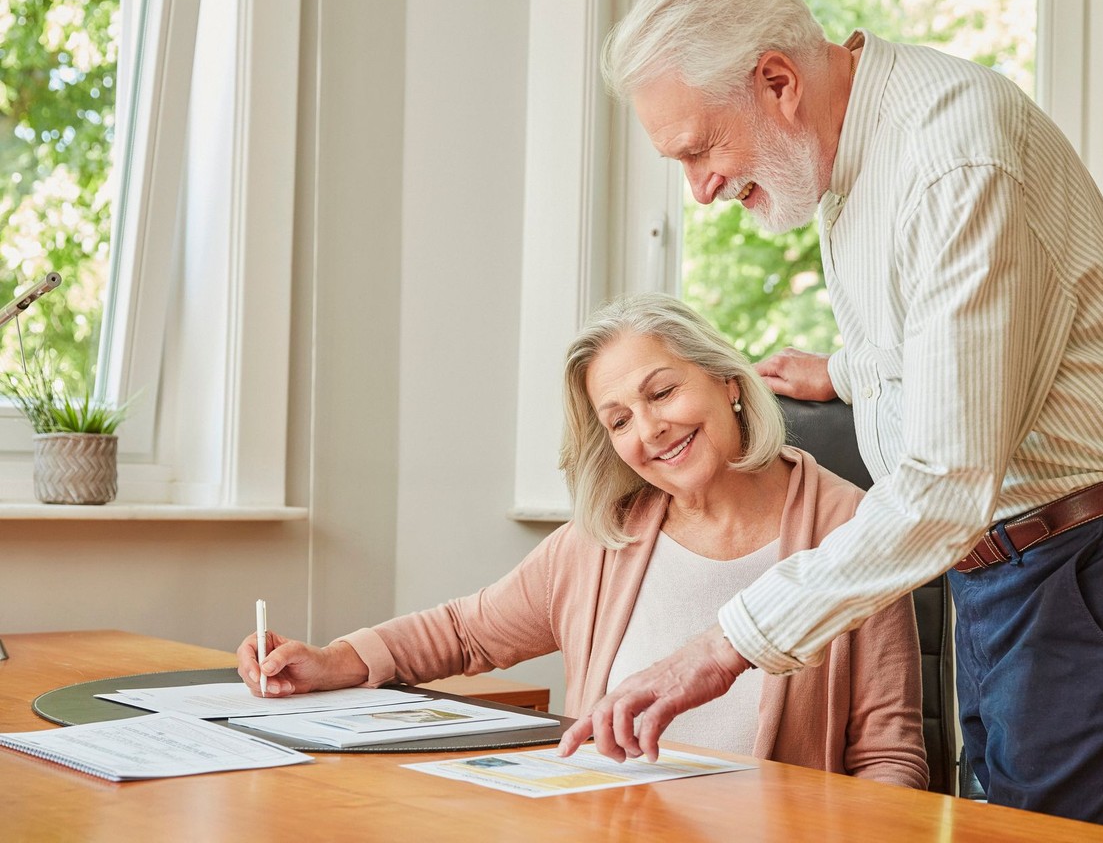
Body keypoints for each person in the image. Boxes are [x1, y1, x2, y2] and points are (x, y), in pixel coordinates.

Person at [559, 0, 1103, 834]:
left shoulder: (949, 157)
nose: (700, 190)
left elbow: (943, 483)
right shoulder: (841, 156)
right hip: (1004, 558)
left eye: (700, 149)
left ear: (778, 83)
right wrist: (848, 371)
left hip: (1081, 555)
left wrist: (722, 649)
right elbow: (947, 340)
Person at [236, 292, 928, 789]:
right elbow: (465, 632)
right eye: (619, 420)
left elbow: (890, 759)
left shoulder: (854, 533)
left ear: (726, 381)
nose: (649, 430)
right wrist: (333, 660)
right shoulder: (606, 540)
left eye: (661, 393)